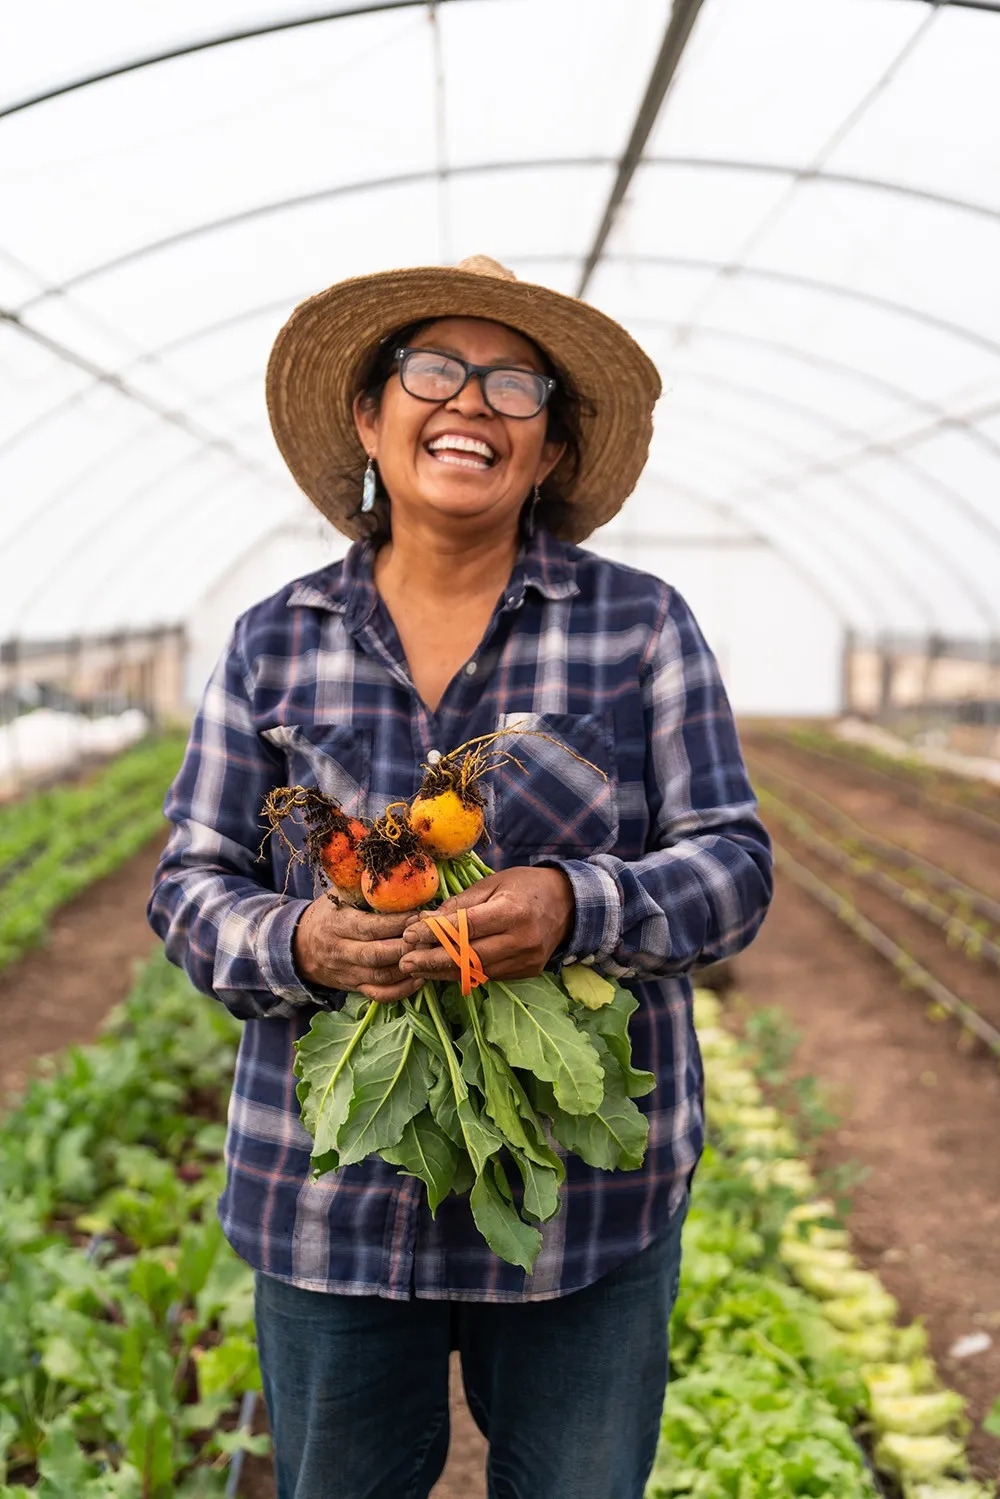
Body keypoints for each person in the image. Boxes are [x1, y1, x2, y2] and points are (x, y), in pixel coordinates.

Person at [148, 255, 773, 1499]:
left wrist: (576, 904)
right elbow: (190, 877)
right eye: (432, 372)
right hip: (327, 1204)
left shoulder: (640, 624)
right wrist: (301, 943)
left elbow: (733, 864)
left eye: (514, 386)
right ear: (370, 423)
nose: (471, 405)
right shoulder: (277, 637)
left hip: (581, 1208)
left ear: (547, 454)